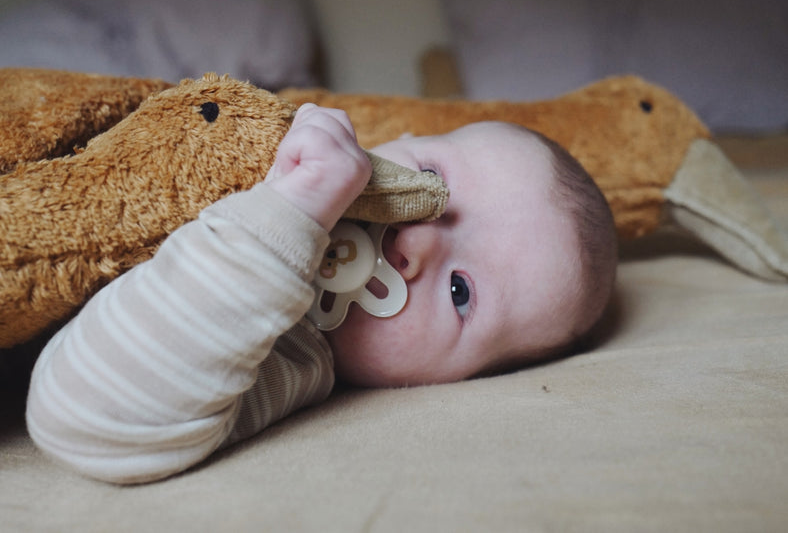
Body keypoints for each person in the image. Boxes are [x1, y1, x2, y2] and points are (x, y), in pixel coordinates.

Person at [26, 104, 617, 484]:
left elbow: (80, 420)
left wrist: (286, 217)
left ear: (452, 381)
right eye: (433, 183)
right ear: (402, 137)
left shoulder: (295, 356)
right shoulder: (298, 133)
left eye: (461, 292)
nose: (417, 243)